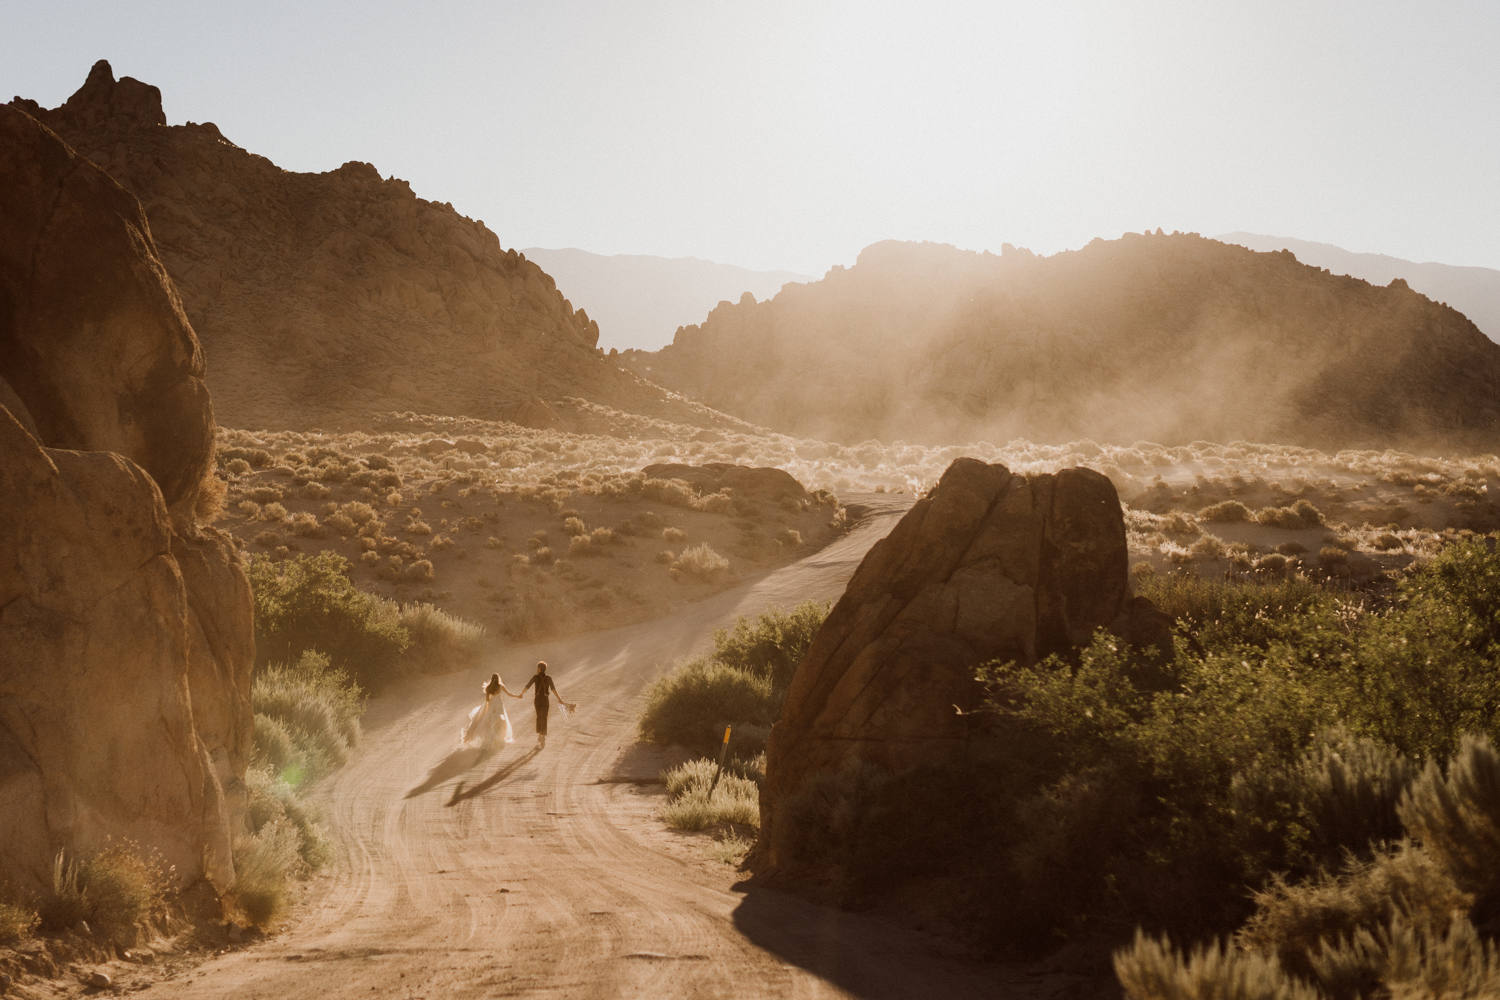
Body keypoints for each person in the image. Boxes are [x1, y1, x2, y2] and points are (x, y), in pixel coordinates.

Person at [520, 661, 576, 749]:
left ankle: (539, 735)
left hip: (537, 699)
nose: (536, 669)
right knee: (544, 717)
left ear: (539, 669)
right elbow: (553, 689)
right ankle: (543, 736)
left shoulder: (535, 677)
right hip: (545, 699)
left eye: (537, 668)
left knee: (539, 716)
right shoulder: (548, 678)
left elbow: (527, 686)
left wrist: (521, 694)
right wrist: (560, 699)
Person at [459, 672, 515, 748]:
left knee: (487, 722)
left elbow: (487, 700)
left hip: (492, 705)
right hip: (499, 706)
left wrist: (487, 709)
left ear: (492, 679)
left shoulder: (489, 687)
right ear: (498, 679)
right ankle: (497, 738)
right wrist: (518, 696)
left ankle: (491, 739)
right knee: (500, 721)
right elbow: (509, 694)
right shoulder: (500, 686)